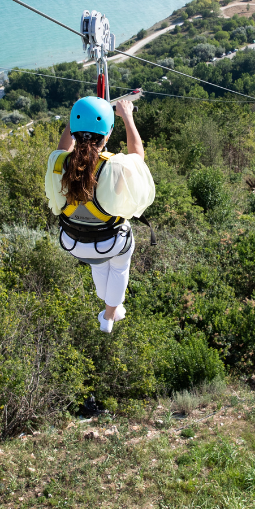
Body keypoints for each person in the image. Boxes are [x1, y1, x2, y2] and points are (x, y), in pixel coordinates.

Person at [44, 96, 155, 333]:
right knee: (119, 267)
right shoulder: (114, 165)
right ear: (107, 135)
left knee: (100, 265)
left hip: (74, 241)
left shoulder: (58, 162)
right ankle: (109, 315)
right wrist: (128, 117)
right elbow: (138, 159)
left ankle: (110, 305)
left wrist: (76, 115)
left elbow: (63, 149)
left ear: (74, 130)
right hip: (109, 242)